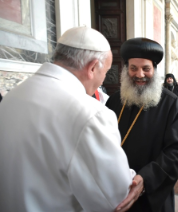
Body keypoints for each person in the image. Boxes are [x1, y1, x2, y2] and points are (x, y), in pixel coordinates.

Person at [0, 26, 134, 212]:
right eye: (106, 71)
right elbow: (115, 198)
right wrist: (135, 180)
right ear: (93, 67)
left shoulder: (12, 96)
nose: (103, 80)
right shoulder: (91, 114)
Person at [106, 37, 178, 212]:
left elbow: (176, 151)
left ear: (155, 70)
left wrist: (146, 179)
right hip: (116, 189)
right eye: (133, 68)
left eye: (146, 69)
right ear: (126, 70)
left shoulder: (171, 104)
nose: (139, 74)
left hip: (152, 193)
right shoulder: (114, 101)